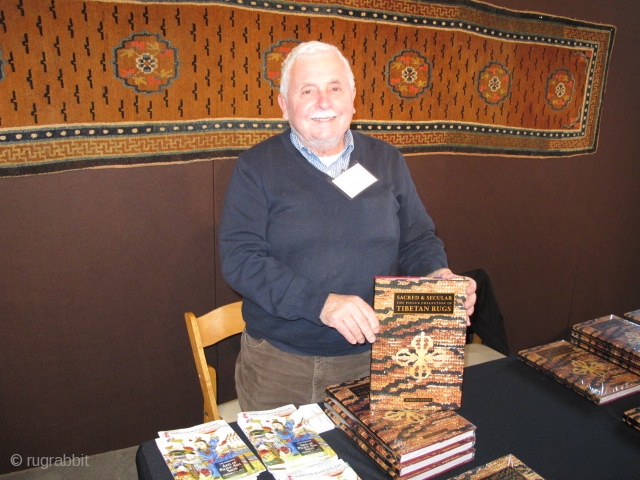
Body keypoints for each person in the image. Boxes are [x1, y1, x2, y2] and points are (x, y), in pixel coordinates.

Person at [219, 41, 476, 411]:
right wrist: (321, 304)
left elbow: (417, 238)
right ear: (284, 104)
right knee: (287, 467)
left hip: (380, 354)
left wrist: (439, 276)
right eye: (308, 90)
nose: (324, 101)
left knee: (372, 463)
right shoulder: (255, 168)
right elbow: (241, 260)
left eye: (335, 87)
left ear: (353, 97)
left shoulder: (387, 160)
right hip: (284, 365)